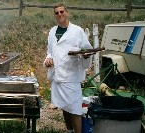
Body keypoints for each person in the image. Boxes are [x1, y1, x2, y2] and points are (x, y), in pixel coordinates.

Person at [43, 4, 93, 133]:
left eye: (61, 12)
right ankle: (69, 131)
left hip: (71, 76)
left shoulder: (77, 31)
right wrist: (48, 59)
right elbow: (50, 51)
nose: (59, 15)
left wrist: (86, 56)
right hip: (58, 75)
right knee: (64, 106)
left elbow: (87, 49)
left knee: (75, 108)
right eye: (56, 13)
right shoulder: (53, 31)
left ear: (67, 12)